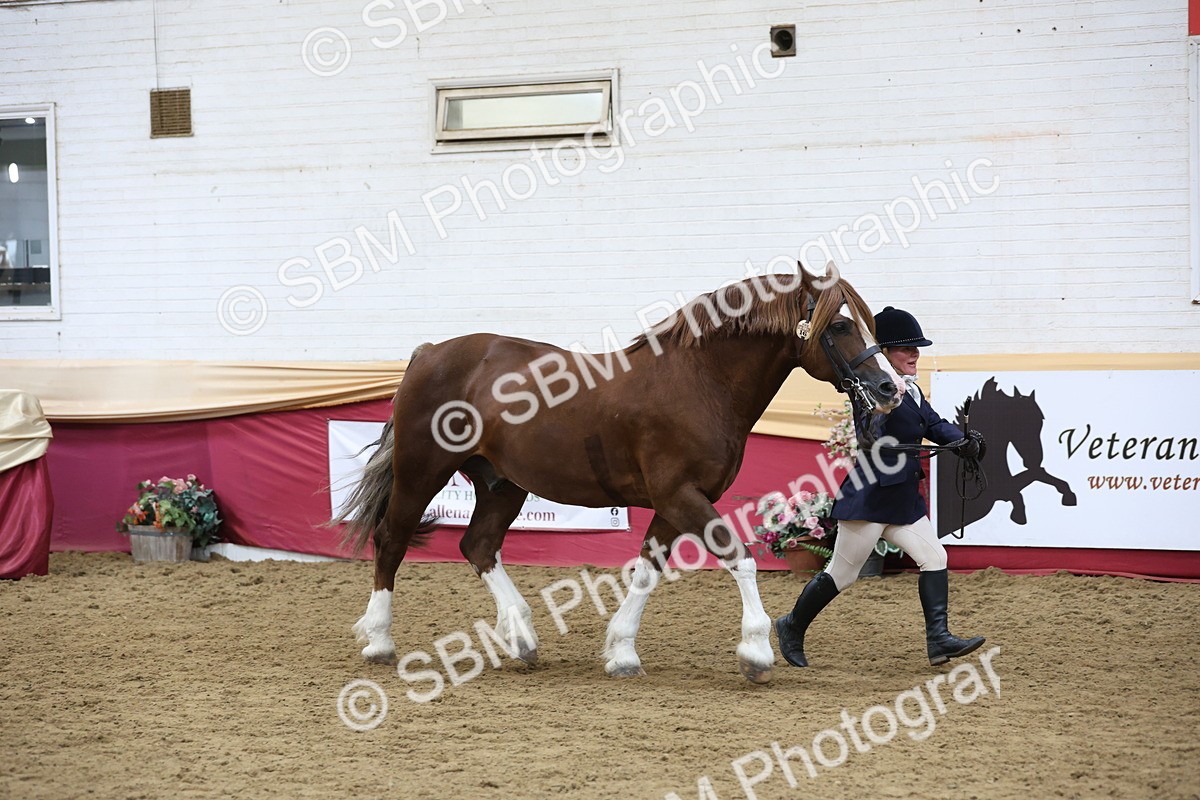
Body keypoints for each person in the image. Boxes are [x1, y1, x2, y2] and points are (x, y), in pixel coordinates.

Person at [774, 306, 987, 667]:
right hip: (871, 496)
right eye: (907, 349)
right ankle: (791, 625)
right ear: (884, 353)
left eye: (917, 348)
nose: (915, 355)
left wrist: (964, 442)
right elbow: (870, 436)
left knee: (935, 557)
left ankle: (939, 640)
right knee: (842, 574)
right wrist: (887, 409)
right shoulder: (871, 392)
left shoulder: (915, 392)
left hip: (903, 498)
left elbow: (934, 427)